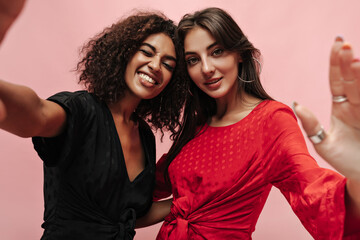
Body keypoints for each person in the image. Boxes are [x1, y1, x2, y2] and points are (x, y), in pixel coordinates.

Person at [151, 7, 360, 239]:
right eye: (193, 60)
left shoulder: (271, 120)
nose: (207, 69)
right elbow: (139, 190)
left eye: (217, 51)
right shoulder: (196, 126)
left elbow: (313, 193)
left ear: (239, 53)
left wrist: (357, 176)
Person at [0, 1, 187, 239]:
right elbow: (38, 113)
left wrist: (183, 202)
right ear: (125, 52)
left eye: (168, 64)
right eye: (147, 52)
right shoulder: (83, 110)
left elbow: (123, 215)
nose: (155, 66)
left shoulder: (144, 136)